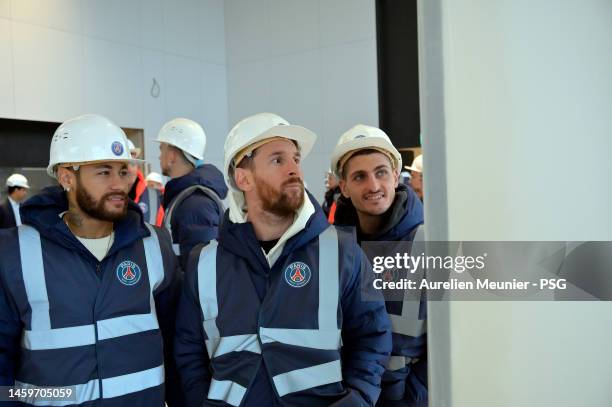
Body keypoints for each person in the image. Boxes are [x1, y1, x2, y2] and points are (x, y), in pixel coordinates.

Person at [175, 112, 392, 407]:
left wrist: (356, 401)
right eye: (278, 160)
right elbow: (189, 353)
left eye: (296, 159)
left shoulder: (343, 252)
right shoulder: (204, 263)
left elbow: (372, 337)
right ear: (243, 178)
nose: (294, 170)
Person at [0, 114, 184, 406]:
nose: (118, 184)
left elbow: (178, 343)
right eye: (103, 172)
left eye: (123, 171)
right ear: (66, 177)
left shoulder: (153, 244)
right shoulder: (15, 252)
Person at [331, 124, 427, 407]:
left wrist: (412, 398)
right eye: (359, 177)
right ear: (344, 187)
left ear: (396, 176)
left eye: (381, 172)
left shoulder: (428, 242)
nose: (373, 186)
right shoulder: (332, 249)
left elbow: (451, 340)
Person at [155, 118, 228, 269]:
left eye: (162, 149)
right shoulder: (184, 197)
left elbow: (201, 272)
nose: (159, 156)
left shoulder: (196, 204)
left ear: (172, 156)